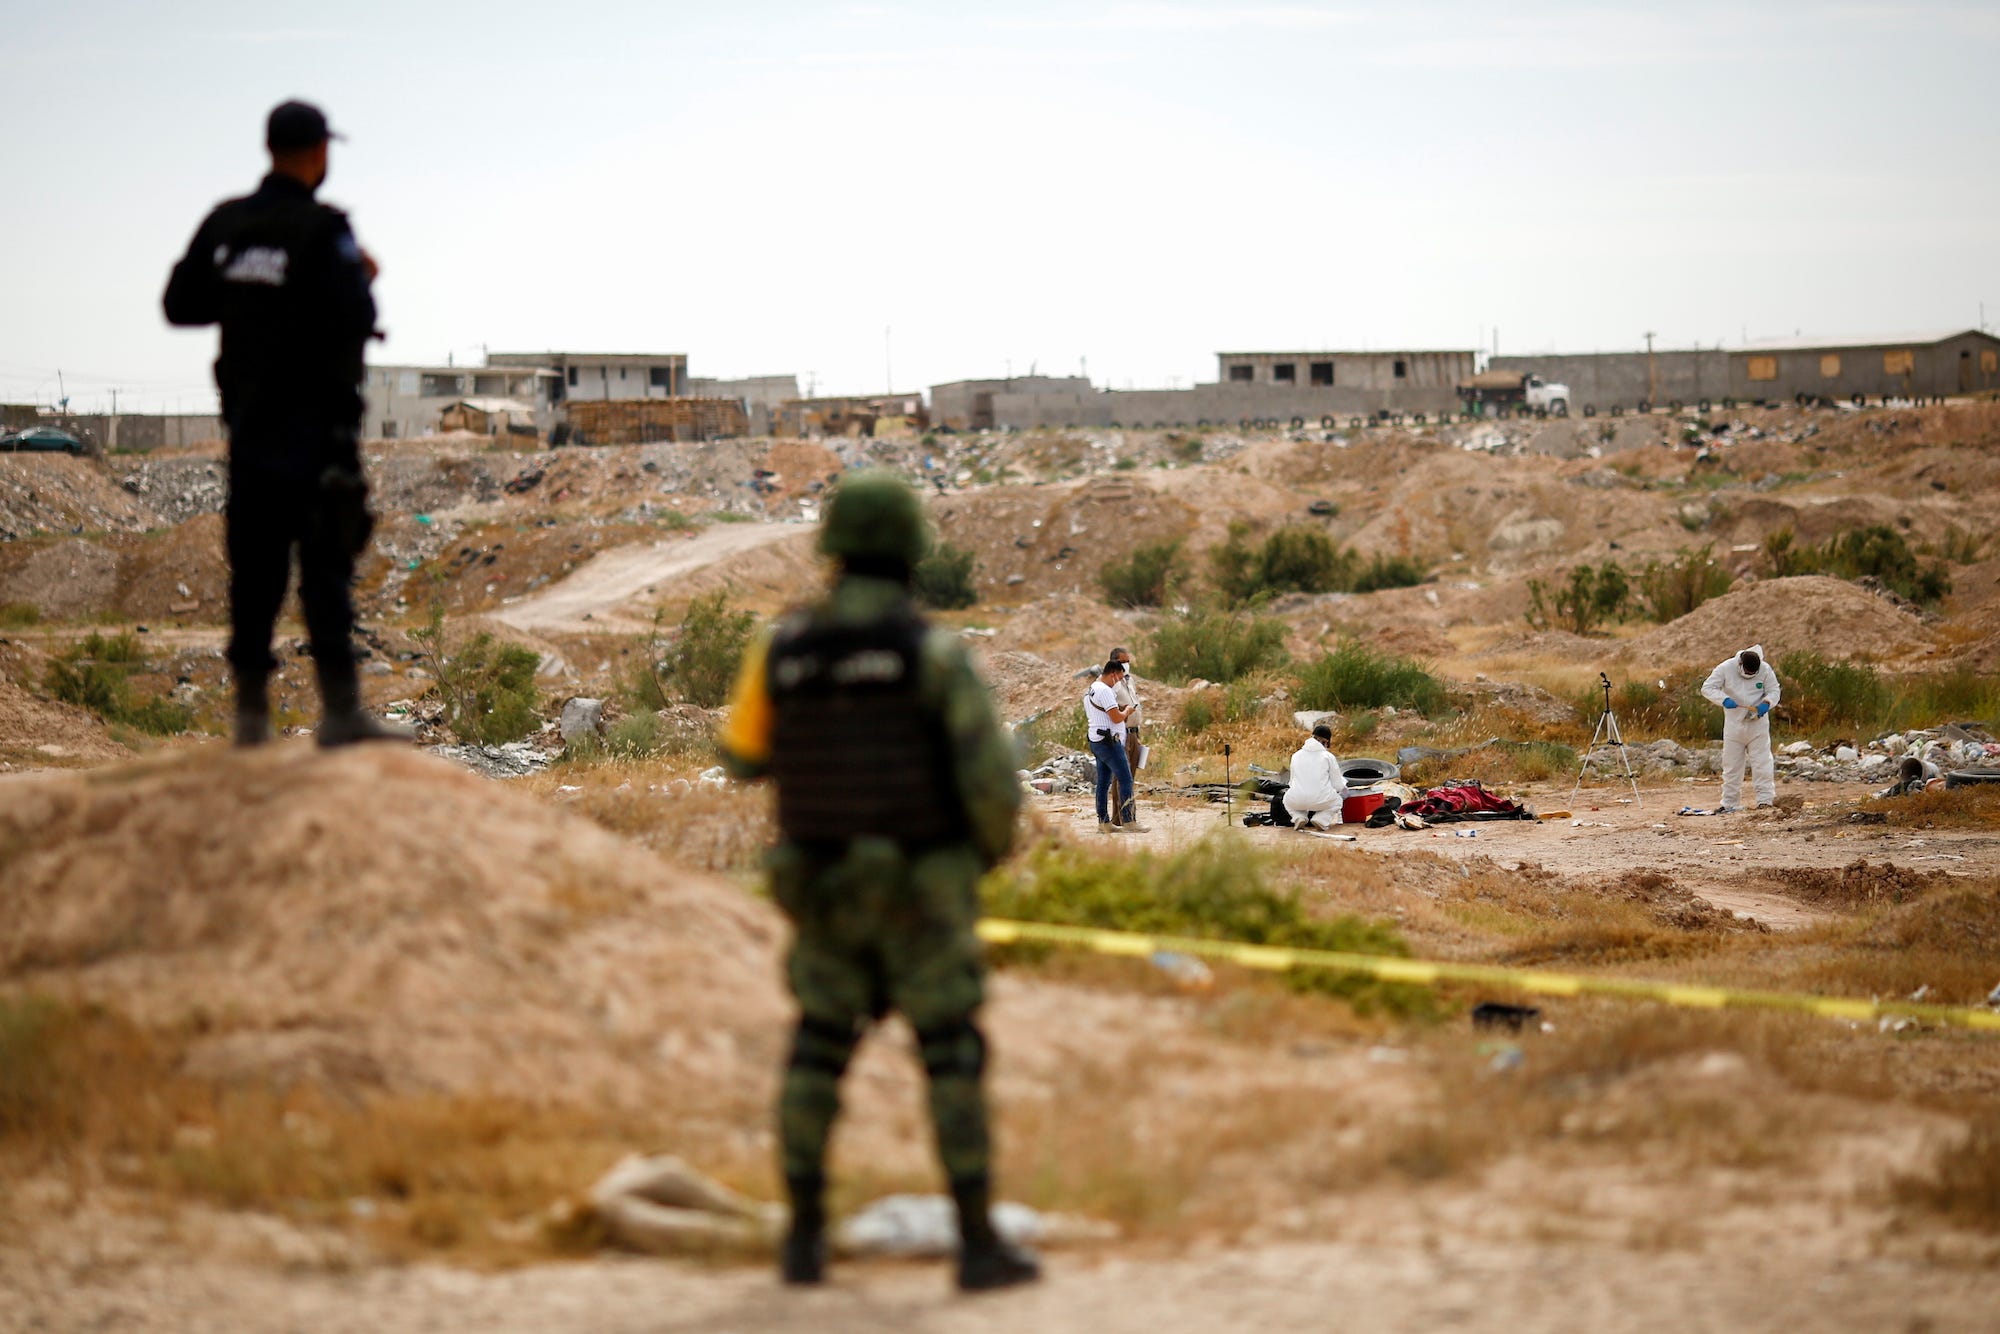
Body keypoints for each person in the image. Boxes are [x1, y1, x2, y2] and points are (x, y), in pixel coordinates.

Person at [718, 471, 1039, 1293]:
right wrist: (977, 861)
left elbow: (743, 757)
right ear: (909, 552)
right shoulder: (931, 653)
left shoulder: (782, 648)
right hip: (920, 887)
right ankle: (974, 1244)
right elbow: (989, 784)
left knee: (818, 1050)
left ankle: (802, 1242)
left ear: (834, 550)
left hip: (821, 883)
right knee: (951, 1054)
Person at [163, 100, 406, 748]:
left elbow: (180, 304)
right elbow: (357, 314)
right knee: (325, 567)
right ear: (319, 152)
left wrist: (244, 291)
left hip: (250, 430)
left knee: (255, 572)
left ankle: (250, 720)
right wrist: (359, 272)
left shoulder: (228, 224)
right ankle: (342, 714)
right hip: (319, 432)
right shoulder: (327, 230)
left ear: (270, 148)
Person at [1701, 644, 1780, 811]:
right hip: (1733, 725)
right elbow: (1707, 688)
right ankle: (1729, 803)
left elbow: (1774, 691)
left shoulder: (1765, 669)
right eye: (1748, 673)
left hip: (1757, 725)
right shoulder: (1725, 668)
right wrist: (1723, 699)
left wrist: (1767, 703)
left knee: (1762, 763)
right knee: (1731, 766)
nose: (1750, 676)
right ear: (1740, 665)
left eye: (1753, 674)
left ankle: (1765, 800)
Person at [1085, 661, 1147, 834]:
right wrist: (1126, 711)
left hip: (1097, 740)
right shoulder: (1105, 691)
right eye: (1119, 678)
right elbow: (1116, 718)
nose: (1119, 681)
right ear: (1113, 674)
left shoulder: (1092, 688)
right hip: (1109, 742)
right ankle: (1129, 821)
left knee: (1103, 783)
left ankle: (1103, 822)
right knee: (1125, 779)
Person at [1282, 723, 1348, 830]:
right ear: (1326, 742)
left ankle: (1299, 817)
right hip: (1321, 801)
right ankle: (1321, 819)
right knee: (1338, 800)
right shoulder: (1328, 757)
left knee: (1286, 799)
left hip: (1297, 800)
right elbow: (1338, 785)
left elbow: (1291, 782)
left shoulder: (1296, 755)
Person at [1106, 646, 1143, 826]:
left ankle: (1128, 815)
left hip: (1134, 733)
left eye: (1128, 661)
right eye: (1123, 662)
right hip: (1121, 734)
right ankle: (1121, 819)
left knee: (1130, 777)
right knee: (1121, 777)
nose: (1126, 665)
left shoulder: (1130, 680)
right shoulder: (1111, 683)